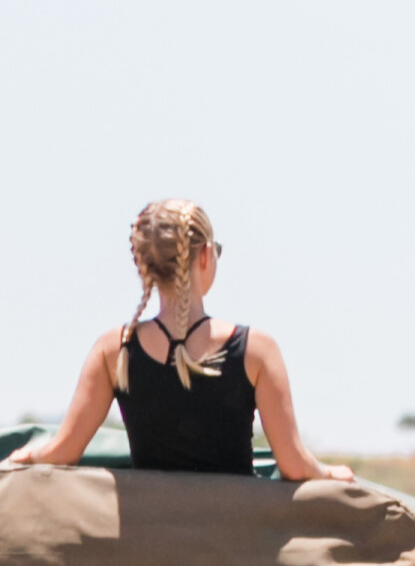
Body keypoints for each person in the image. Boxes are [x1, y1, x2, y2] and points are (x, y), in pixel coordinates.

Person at [18, 198, 342, 482]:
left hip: (149, 545)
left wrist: (25, 457)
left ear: (144, 265)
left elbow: (62, 454)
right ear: (204, 256)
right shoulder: (255, 351)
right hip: (232, 547)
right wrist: (330, 473)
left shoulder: (114, 350)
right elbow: (295, 467)